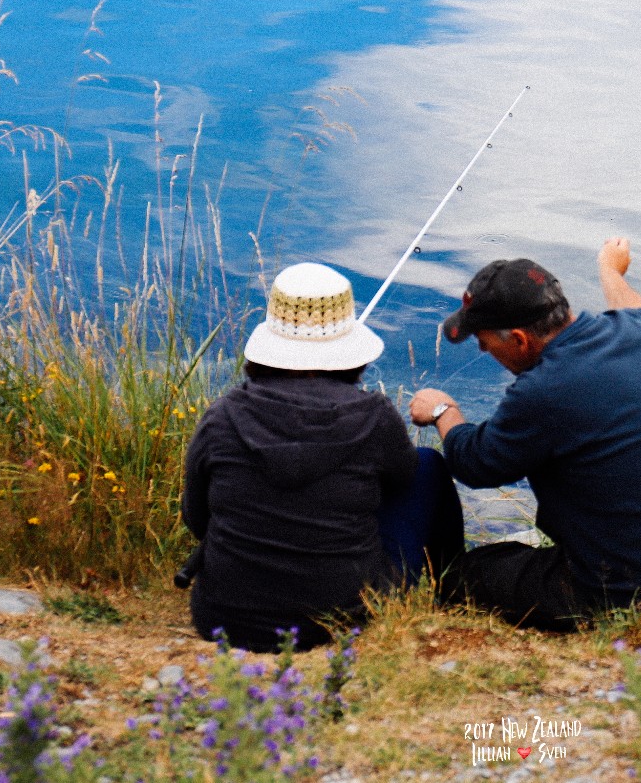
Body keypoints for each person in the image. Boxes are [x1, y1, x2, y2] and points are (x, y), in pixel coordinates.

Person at [409, 236, 641, 631]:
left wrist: (444, 411)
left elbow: (476, 464)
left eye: (485, 342)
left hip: (629, 588)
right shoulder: (638, 332)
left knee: (466, 574)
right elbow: (629, 301)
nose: (483, 352)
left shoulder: (543, 390)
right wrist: (609, 270)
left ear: (518, 339)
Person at [180, 262, 454, 652]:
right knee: (426, 465)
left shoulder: (221, 416)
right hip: (342, 619)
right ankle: (452, 588)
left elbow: (197, 518)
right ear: (349, 350)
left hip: (223, 619)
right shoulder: (376, 417)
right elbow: (402, 483)